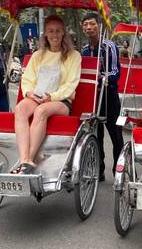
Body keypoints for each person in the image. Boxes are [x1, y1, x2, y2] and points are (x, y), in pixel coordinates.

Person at [12, 14, 81, 174]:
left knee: (41, 111)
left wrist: (52, 97)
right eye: (51, 31)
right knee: (21, 108)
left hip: (61, 101)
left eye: (57, 31)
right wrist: (29, 93)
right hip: (37, 96)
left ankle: (30, 159)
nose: (54, 35)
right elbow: (27, 79)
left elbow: (71, 83)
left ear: (63, 33)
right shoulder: (38, 55)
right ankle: (24, 159)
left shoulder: (73, 56)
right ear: (45, 34)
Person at [81, 12, 124, 181]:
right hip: (92, 97)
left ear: (99, 26)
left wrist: (101, 76)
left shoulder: (110, 46)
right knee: (95, 134)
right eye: (85, 24)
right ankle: (98, 170)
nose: (88, 27)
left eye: (92, 24)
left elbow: (115, 71)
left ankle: (118, 171)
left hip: (109, 95)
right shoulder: (84, 50)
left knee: (116, 135)